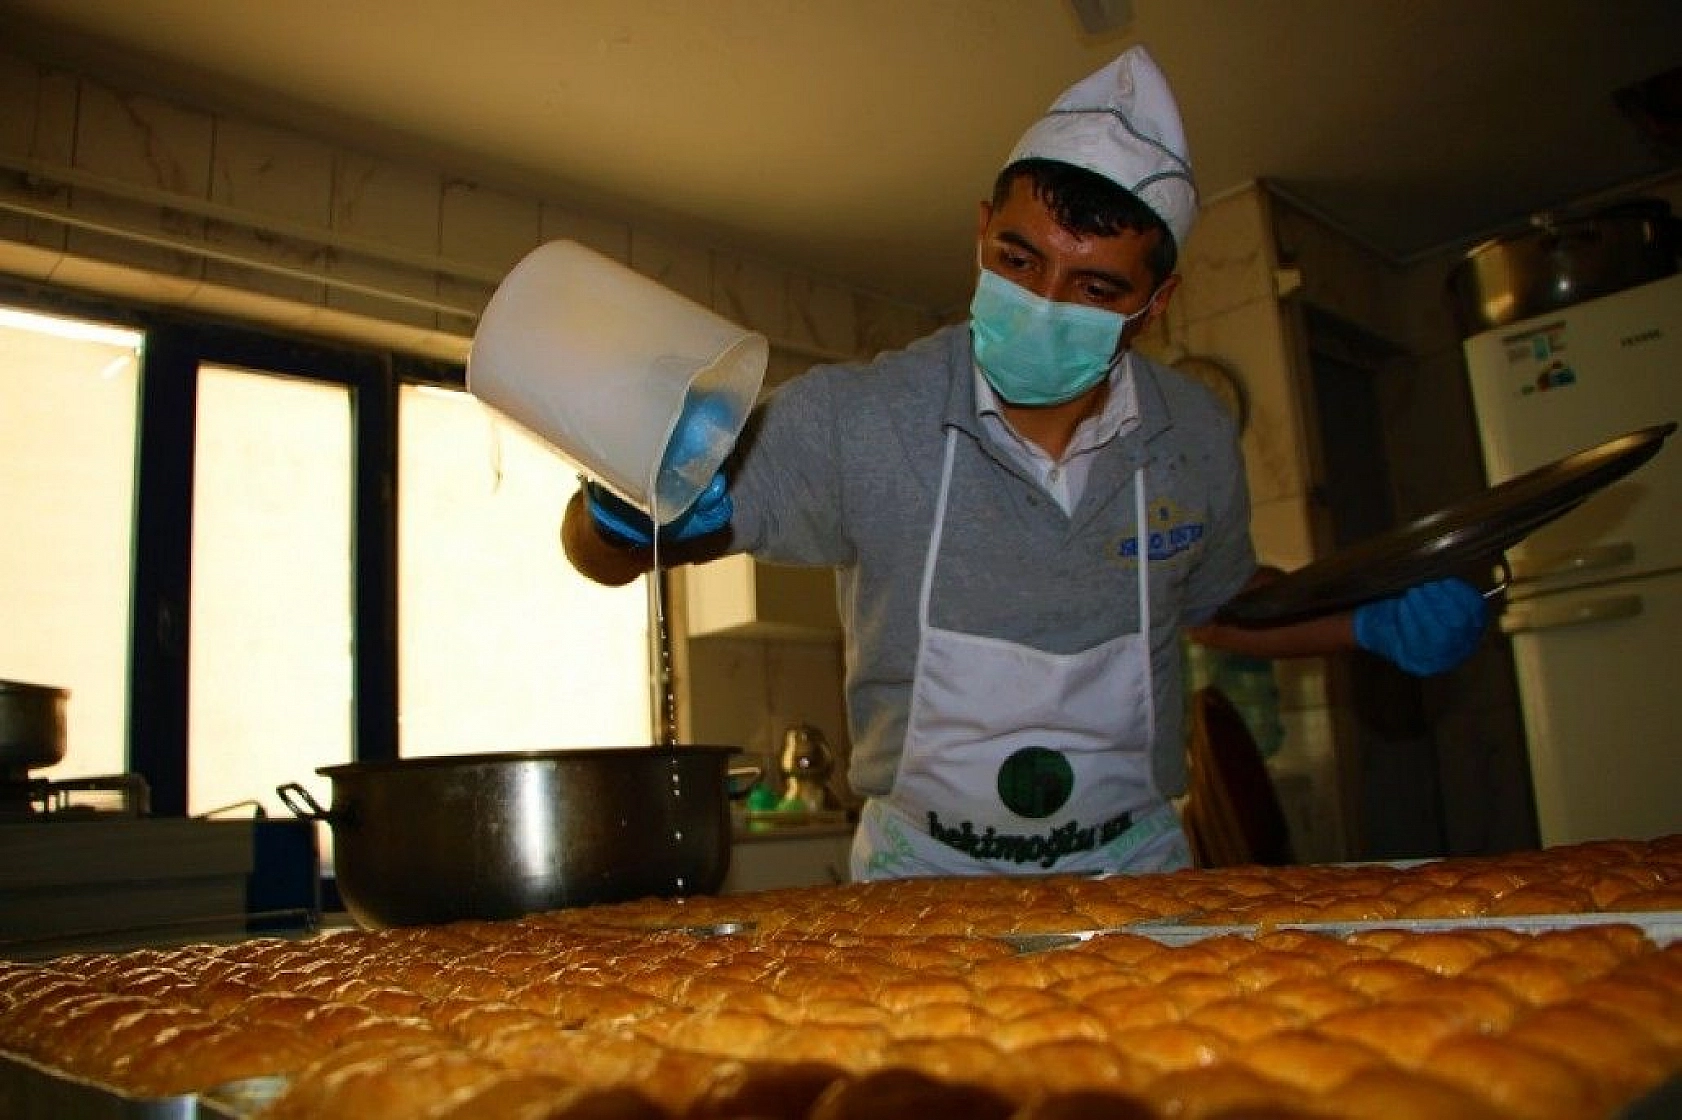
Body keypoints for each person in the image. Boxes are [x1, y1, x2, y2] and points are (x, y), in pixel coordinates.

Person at [561, 46, 1488, 880]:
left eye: (1093, 287)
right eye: (1018, 259)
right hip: (923, 876)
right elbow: (601, 555)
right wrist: (622, 508)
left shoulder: (1193, 435)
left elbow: (1218, 608)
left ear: (1154, 303)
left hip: (1134, 869)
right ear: (979, 233)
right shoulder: (861, 420)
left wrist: (1362, 627)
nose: (1044, 304)